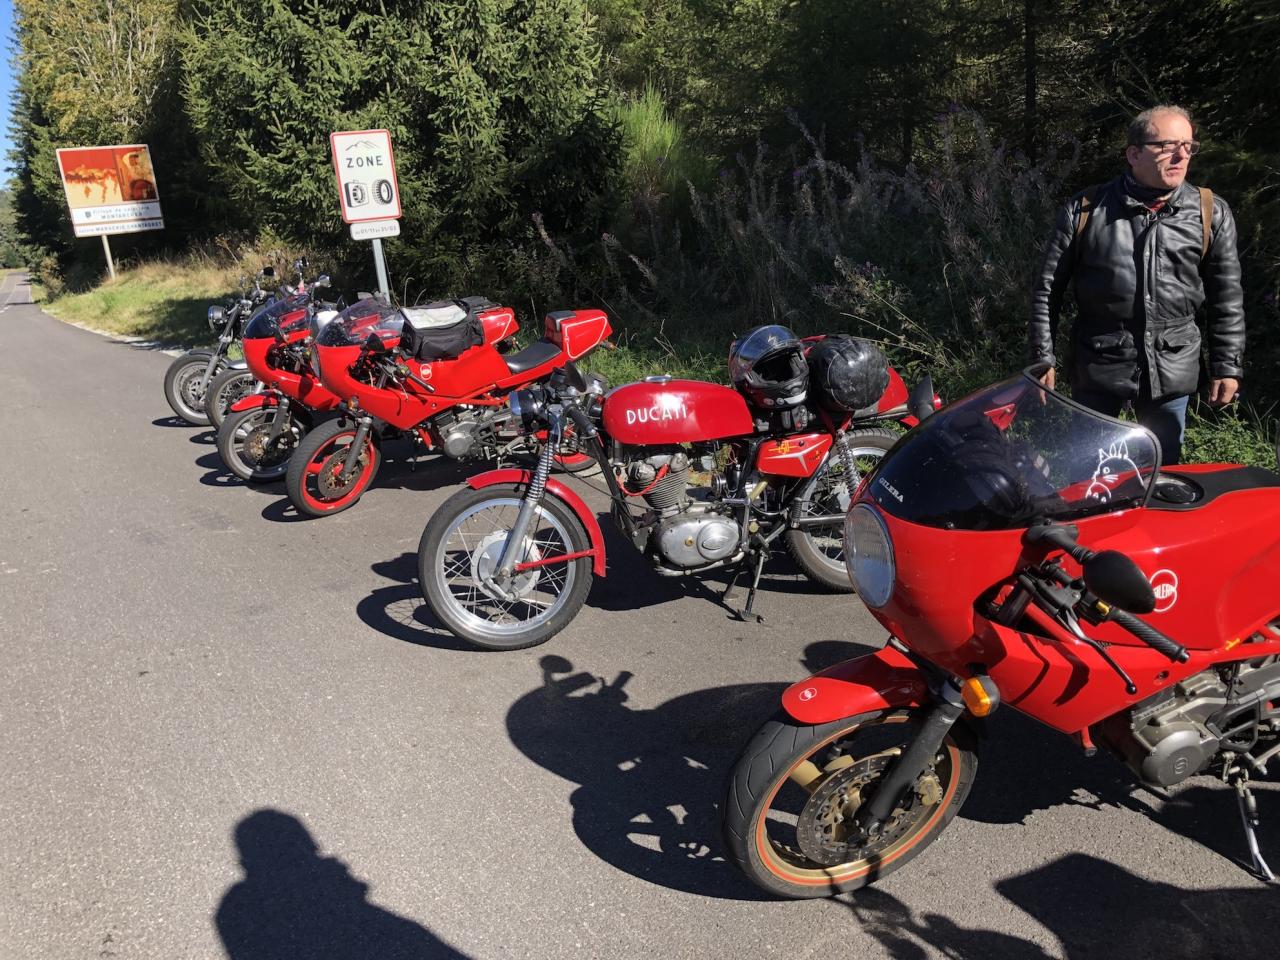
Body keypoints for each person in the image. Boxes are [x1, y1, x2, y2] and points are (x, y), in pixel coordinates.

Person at [1029, 104, 1245, 464]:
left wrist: (1227, 365)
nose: (1181, 155)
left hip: (1172, 366)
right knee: (1089, 470)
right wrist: (1041, 358)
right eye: (1167, 145)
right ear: (1133, 154)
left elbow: (1227, 297)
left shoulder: (1210, 212)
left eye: (1188, 146)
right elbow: (1047, 289)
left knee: (1162, 471)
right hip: (1098, 363)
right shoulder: (1086, 210)